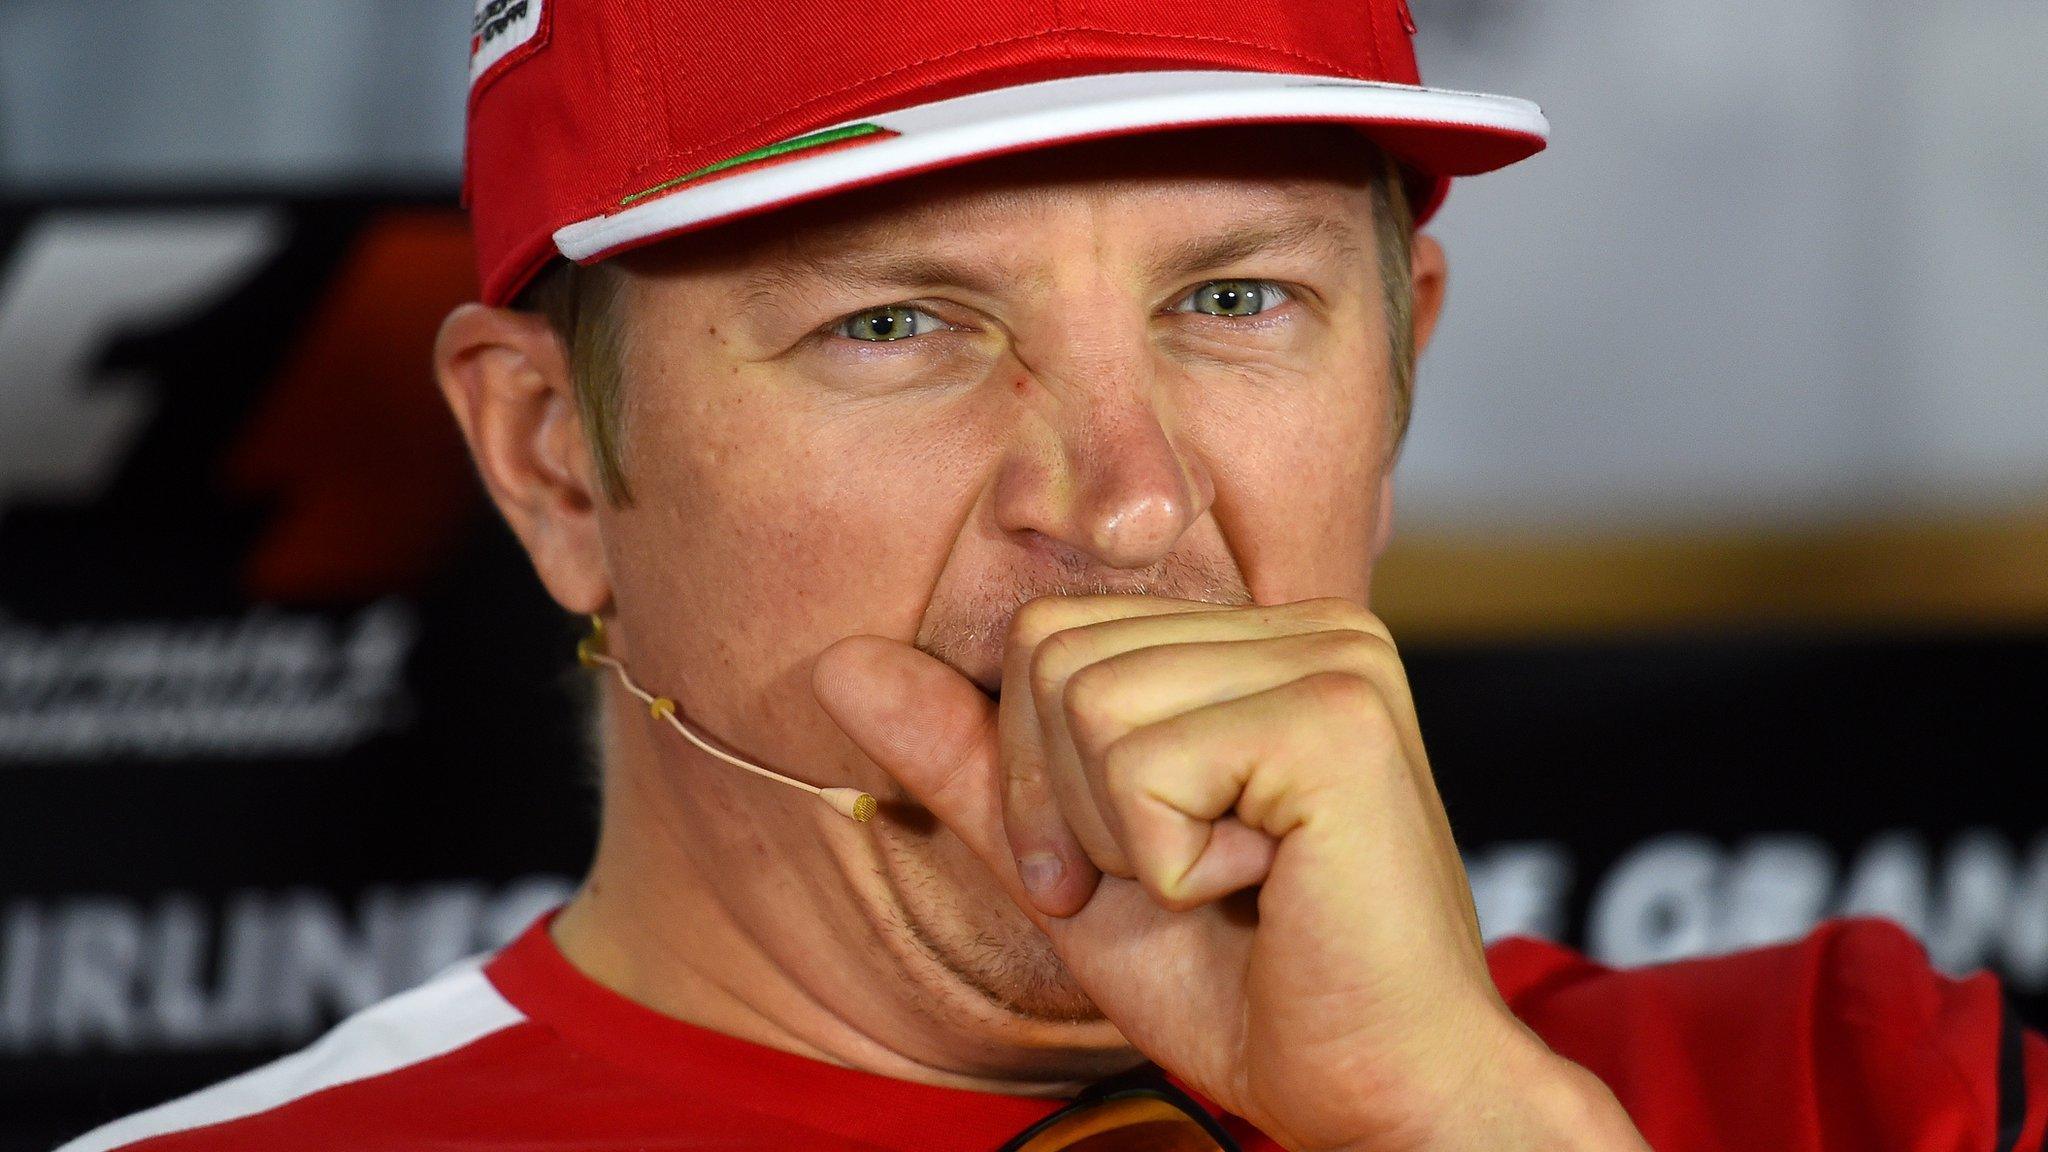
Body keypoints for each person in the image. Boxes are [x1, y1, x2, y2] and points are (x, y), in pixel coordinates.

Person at [62, 0, 2045, 1149]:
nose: (1118, 507)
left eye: (1236, 295)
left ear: (1403, 359)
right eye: (896, 328)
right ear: (555, 457)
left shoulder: (1846, 1087)